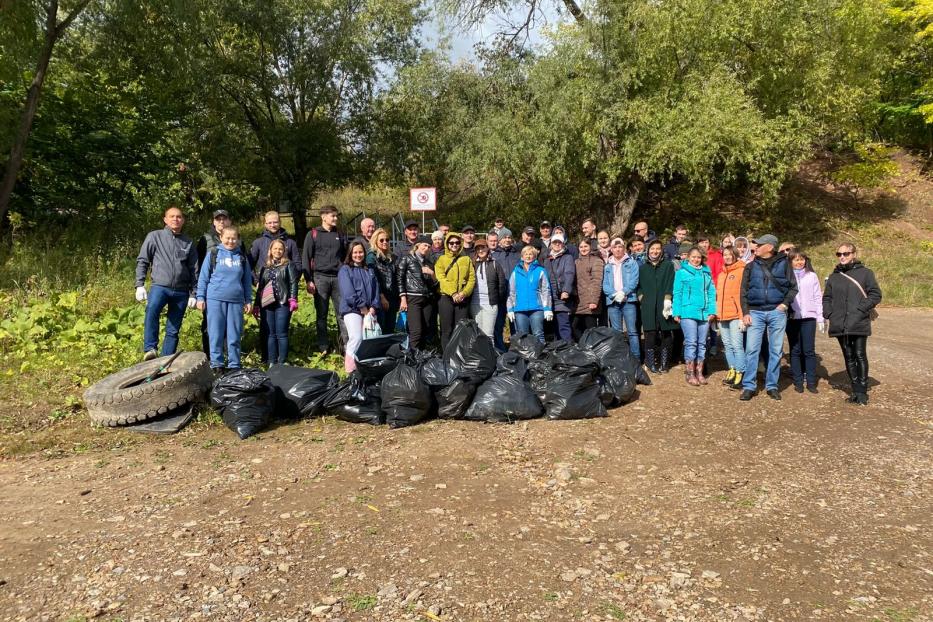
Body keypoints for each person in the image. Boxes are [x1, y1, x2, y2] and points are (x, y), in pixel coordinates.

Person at [738, 234, 798, 401]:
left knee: (776, 350)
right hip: (755, 313)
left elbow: (794, 287)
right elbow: (743, 291)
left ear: (770, 247)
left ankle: (772, 385)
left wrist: (785, 304)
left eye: (759, 244)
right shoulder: (750, 266)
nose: (755, 247)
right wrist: (746, 312)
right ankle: (749, 386)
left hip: (776, 312)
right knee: (752, 350)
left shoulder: (785, 264)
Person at [136, 206, 199, 360]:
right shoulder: (154, 236)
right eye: (171, 216)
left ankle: (165, 360)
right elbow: (143, 260)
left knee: (173, 328)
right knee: (152, 312)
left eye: (178, 217)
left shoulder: (188, 242)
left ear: (183, 220)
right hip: (160, 287)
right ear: (165, 219)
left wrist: (194, 293)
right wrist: (139, 284)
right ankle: (150, 349)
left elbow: (194, 269)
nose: (175, 219)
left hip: (181, 291)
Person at [822, 243, 882, 405]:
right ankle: (855, 389)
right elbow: (827, 297)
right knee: (848, 356)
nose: (842, 256)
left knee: (860, 354)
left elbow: (875, 294)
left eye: (846, 253)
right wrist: (828, 312)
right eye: (839, 254)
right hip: (839, 322)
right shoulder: (834, 276)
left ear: (854, 254)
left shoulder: (865, 273)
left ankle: (862, 391)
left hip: (858, 321)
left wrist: (861, 309)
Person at [196, 226, 253, 374]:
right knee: (215, 333)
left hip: (236, 300)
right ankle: (217, 364)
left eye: (234, 238)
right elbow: (203, 277)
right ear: (221, 238)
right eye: (227, 238)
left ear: (238, 239)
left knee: (234, 334)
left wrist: (248, 300)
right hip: (215, 298)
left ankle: (234, 365)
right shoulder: (213, 254)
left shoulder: (241, 256)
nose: (231, 241)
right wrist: (200, 297)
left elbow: (246, 280)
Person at [249, 210, 301, 363]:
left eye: (275, 222)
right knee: (267, 331)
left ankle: (281, 361)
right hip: (264, 293)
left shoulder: (290, 243)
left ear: (280, 222)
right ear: (265, 224)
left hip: (283, 296)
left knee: (281, 331)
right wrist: (256, 280)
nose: (273, 224)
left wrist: (289, 285)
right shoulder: (258, 242)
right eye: (269, 222)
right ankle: (268, 360)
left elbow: (297, 265)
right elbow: (249, 265)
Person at [302, 205, 348, 355]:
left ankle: (345, 347)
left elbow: (345, 256)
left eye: (336, 216)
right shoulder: (313, 234)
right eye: (332, 216)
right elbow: (306, 258)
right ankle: (323, 346)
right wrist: (308, 280)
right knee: (321, 314)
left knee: (342, 313)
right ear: (323, 217)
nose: (335, 218)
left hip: (337, 278)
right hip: (320, 278)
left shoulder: (340, 234)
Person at [195, 209, 239, 356]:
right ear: (213, 222)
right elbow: (198, 266)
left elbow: (244, 265)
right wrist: (198, 293)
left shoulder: (236, 240)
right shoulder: (204, 239)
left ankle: (228, 357)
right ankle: (210, 358)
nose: (221, 221)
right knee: (210, 326)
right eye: (218, 219)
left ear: (229, 221)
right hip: (211, 292)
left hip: (232, 293)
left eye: (224, 219)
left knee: (231, 327)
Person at [672, 247, 716, 386]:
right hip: (688, 311)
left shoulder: (706, 273)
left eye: (698, 257)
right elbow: (677, 293)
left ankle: (699, 371)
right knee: (691, 342)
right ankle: (690, 373)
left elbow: (711, 293)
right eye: (693, 257)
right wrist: (676, 312)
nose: (696, 260)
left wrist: (712, 311)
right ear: (688, 258)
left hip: (704, 313)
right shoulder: (681, 273)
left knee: (702, 343)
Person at [338, 241, 380, 373]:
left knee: (369, 339)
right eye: (355, 252)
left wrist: (373, 306)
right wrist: (362, 307)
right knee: (356, 337)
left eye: (360, 252)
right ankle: (350, 370)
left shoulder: (370, 270)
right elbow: (348, 292)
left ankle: (365, 368)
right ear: (350, 254)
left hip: (369, 311)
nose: (358, 255)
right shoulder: (345, 270)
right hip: (352, 310)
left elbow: (376, 290)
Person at [787, 252, 824, 393]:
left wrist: (820, 317)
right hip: (793, 317)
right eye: (796, 260)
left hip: (809, 317)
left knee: (808, 350)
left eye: (801, 259)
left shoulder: (811, 275)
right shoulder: (787, 276)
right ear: (790, 261)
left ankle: (811, 382)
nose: (799, 262)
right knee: (795, 350)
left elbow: (817, 297)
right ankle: (798, 381)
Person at [638, 239, 677, 373]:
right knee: (650, 333)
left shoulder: (668, 265)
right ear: (648, 251)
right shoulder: (643, 268)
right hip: (648, 304)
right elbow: (638, 286)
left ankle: (664, 363)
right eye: (652, 249)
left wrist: (668, 299)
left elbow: (671, 282)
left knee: (666, 332)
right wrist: (641, 297)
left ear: (661, 251)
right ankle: (650, 362)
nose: (655, 251)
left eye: (658, 249)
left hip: (664, 303)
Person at [434, 232, 476, 350]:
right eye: (451, 243)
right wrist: (453, 293)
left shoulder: (466, 259)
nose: (454, 245)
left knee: (460, 329)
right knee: (446, 329)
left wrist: (464, 293)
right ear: (447, 244)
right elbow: (441, 278)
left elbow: (471, 279)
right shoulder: (441, 259)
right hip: (446, 297)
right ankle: (447, 356)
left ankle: (458, 356)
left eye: (457, 242)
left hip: (462, 298)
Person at [397, 235, 438, 350]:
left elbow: (435, 285)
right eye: (425, 245)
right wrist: (403, 298)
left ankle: (422, 357)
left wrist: (432, 274)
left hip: (427, 299)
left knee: (426, 329)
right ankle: (413, 358)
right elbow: (399, 278)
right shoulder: (407, 258)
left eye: (429, 246)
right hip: (413, 298)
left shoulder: (429, 263)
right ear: (418, 245)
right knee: (416, 331)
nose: (427, 248)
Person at [602, 238, 641, 359]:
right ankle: (620, 358)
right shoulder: (607, 266)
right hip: (613, 302)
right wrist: (615, 294)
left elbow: (634, 281)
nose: (618, 249)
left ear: (624, 248)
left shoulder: (632, 263)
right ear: (611, 249)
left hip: (628, 300)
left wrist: (623, 292)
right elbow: (605, 285)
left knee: (632, 332)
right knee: (616, 332)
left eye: (620, 247)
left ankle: (636, 358)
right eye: (615, 247)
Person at [508, 245, 553, 344]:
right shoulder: (515, 272)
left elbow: (546, 290)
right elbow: (511, 292)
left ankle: (540, 358)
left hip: (537, 309)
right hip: (520, 310)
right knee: (522, 336)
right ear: (522, 257)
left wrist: (547, 308)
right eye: (526, 254)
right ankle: (525, 359)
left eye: (531, 254)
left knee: (538, 334)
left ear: (535, 256)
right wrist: (510, 309)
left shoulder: (540, 271)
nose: (528, 256)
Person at [716, 246, 746, 389]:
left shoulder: (741, 271)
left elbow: (742, 295)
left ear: (735, 255)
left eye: (730, 254)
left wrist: (742, 316)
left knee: (737, 345)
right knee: (727, 346)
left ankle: (741, 372)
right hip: (722, 316)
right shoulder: (722, 274)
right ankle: (732, 369)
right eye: (725, 255)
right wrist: (717, 314)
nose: (727, 257)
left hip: (735, 315)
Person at [541, 233, 576, 341]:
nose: (557, 244)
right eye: (554, 242)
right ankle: (559, 352)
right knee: (555, 328)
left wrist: (566, 290)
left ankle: (568, 351)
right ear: (551, 244)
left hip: (562, 297)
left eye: (559, 242)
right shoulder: (547, 260)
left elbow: (569, 274)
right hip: (550, 298)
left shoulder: (568, 257)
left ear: (563, 244)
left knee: (564, 326)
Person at [470, 238, 507, 338]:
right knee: (478, 334)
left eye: (483, 248)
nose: (481, 251)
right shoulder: (472, 264)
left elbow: (502, 284)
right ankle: (481, 354)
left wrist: (496, 299)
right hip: (475, 303)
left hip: (490, 304)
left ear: (487, 248)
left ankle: (489, 354)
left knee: (488, 334)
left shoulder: (495, 264)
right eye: (478, 249)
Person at [366, 228, 399, 335]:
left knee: (390, 327)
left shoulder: (392, 257)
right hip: (379, 297)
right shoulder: (372, 256)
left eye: (387, 240)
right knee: (381, 327)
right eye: (381, 240)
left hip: (392, 296)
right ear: (375, 241)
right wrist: (381, 296)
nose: (385, 242)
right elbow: (374, 278)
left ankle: (389, 351)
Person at [491, 228, 519, 349]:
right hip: (500, 295)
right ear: (500, 240)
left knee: (516, 324)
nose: (507, 240)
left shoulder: (517, 255)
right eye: (504, 237)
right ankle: (500, 349)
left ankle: (516, 348)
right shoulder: (493, 255)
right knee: (499, 323)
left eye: (509, 237)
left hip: (515, 295)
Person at [573, 237, 604, 339]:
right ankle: (585, 350)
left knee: (591, 331)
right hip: (578, 303)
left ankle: (593, 352)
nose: (583, 249)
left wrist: (594, 301)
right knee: (575, 327)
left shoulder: (596, 261)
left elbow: (597, 282)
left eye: (585, 246)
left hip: (590, 303)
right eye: (581, 247)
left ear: (590, 247)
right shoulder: (576, 262)